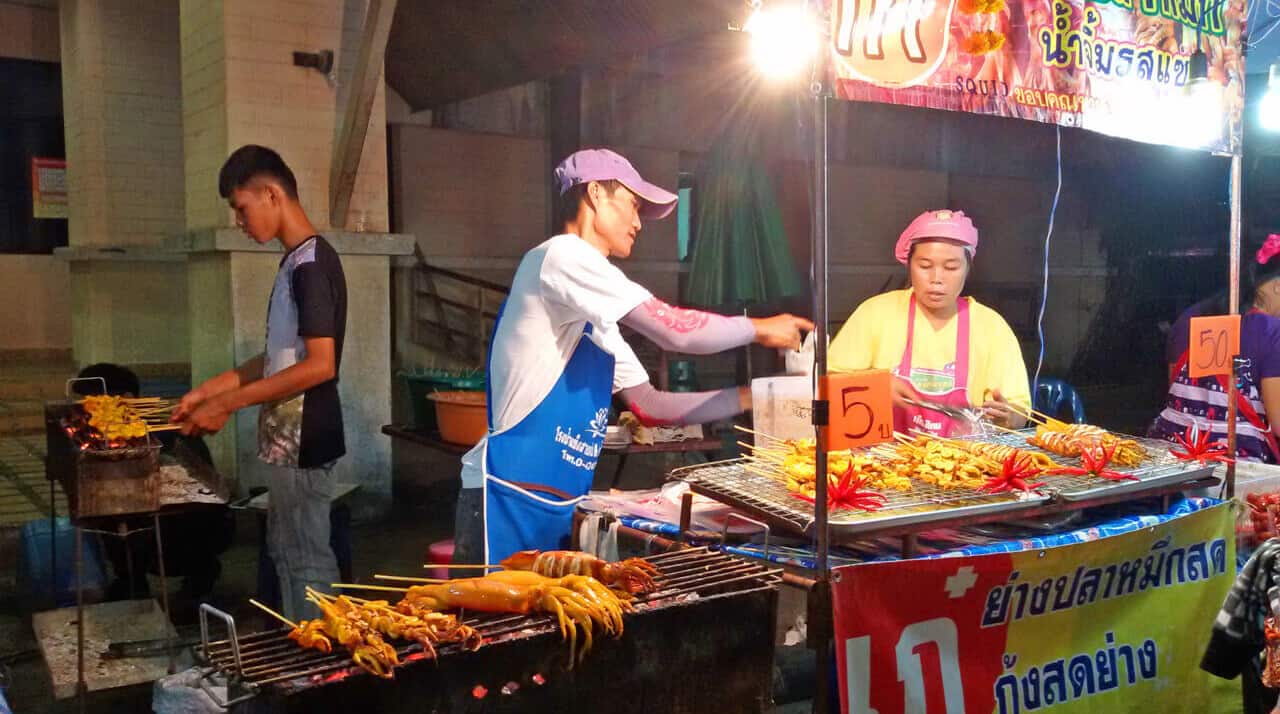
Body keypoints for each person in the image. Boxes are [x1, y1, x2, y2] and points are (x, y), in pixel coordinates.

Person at [452, 148, 813, 565]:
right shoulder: (560, 256)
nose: (639, 223)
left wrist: (757, 396)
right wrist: (760, 328)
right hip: (505, 495)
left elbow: (651, 406)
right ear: (596, 194)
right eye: (634, 205)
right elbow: (671, 329)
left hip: (561, 500)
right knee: (500, 626)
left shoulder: (597, 319)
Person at [172, 145, 347, 620]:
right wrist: (211, 389)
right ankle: (304, 651)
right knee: (288, 551)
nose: (241, 222)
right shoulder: (295, 261)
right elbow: (276, 357)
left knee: (307, 556)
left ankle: (322, 665)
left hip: (306, 440)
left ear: (271, 194)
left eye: (241, 208)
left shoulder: (312, 264)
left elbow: (319, 365)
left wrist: (229, 405)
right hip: (286, 443)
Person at [828, 209, 1030, 436]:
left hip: (964, 463)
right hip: (882, 460)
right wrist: (874, 385)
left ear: (968, 268)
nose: (937, 279)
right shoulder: (875, 313)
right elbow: (827, 385)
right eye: (925, 266)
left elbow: (1019, 413)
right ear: (909, 266)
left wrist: (1011, 416)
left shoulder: (992, 327)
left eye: (951, 267)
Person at [70, 363, 233, 606]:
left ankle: (197, 574)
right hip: (156, 526)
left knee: (121, 512)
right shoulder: (106, 436)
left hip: (189, 529)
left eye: (92, 402)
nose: (85, 410)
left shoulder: (160, 436)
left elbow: (190, 499)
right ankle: (131, 579)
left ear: (126, 399)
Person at [1149, 234, 1280, 463]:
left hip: (1168, 459)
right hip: (1236, 468)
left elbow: (1177, 395)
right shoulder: (1272, 331)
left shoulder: (1187, 318)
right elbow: (1278, 423)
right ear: (1278, 286)